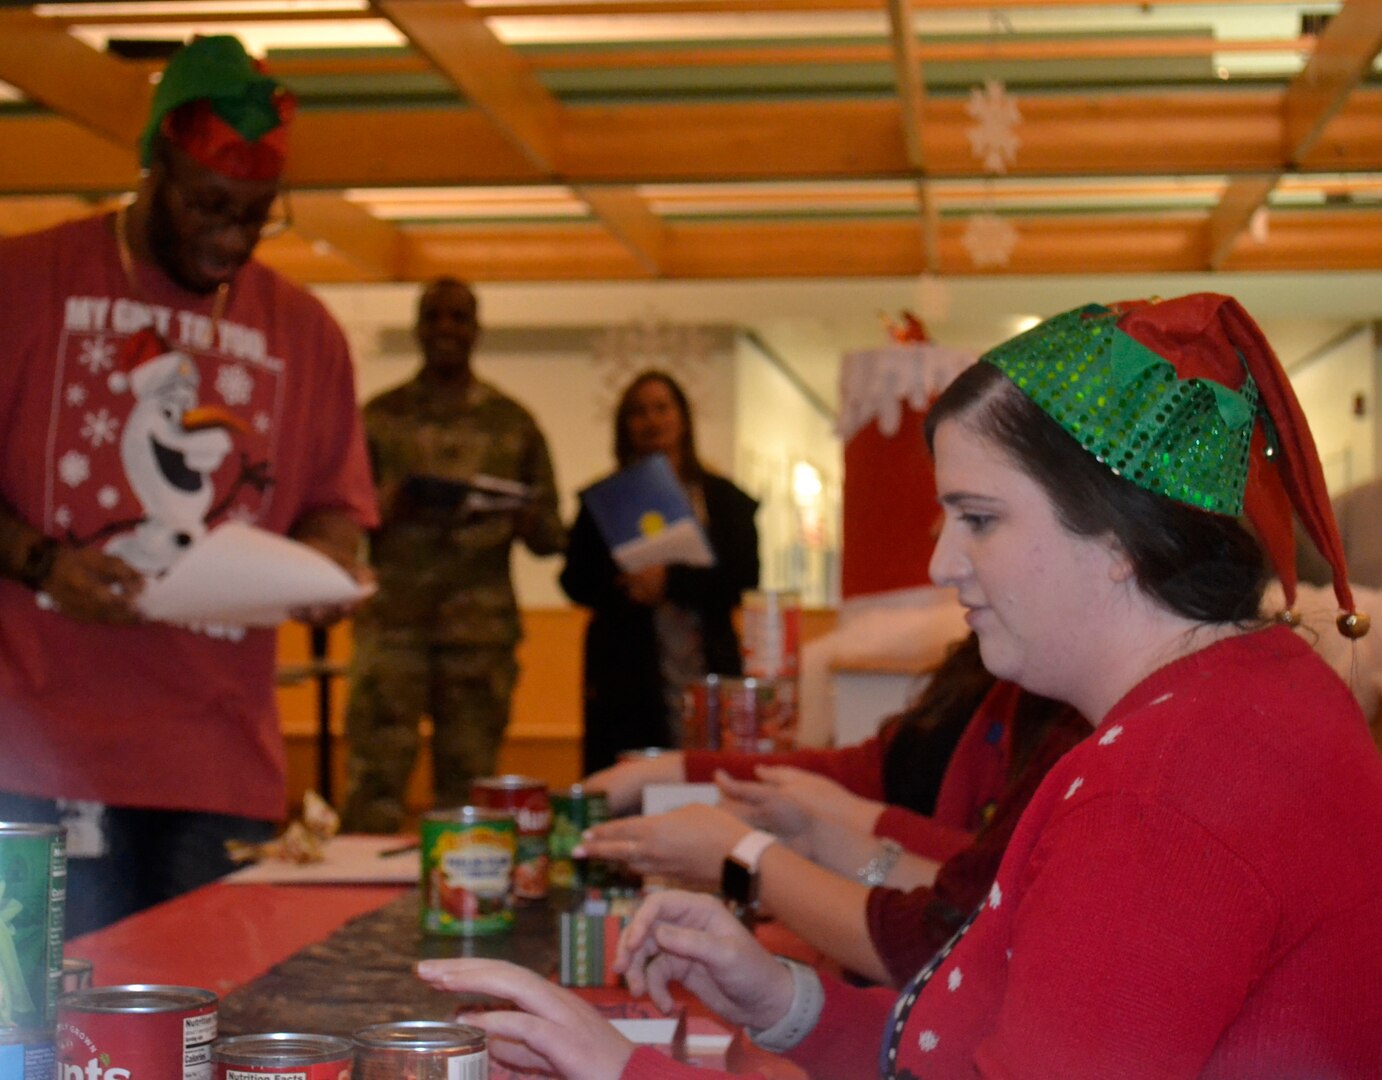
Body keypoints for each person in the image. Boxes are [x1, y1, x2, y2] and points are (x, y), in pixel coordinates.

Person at [418, 294, 1382, 1078]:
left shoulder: (1168, 788)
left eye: (979, 518)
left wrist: (621, 1071)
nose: (942, 564)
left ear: (1120, 537)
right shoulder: (1235, 702)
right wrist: (784, 1000)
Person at [0, 36, 377, 935]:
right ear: (150, 170)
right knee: (38, 1033)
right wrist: (44, 562)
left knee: (202, 1026)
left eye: (257, 214)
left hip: (218, 764)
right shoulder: (23, 283)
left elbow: (334, 498)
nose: (233, 236)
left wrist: (324, 564)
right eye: (210, 204)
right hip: (37, 755)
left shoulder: (305, 330)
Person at [576, 637, 1088, 984]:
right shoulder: (997, 671)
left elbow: (937, 934)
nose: (942, 562)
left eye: (978, 518)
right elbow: (958, 891)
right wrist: (818, 835)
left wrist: (746, 856)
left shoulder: (1081, 725)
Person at [340, 277, 565, 833]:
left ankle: (463, 907)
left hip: (478, 635)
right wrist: (384, 504)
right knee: (373, 785)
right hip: (393, 628)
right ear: (417, 328)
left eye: (458, 317)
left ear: (476, 330)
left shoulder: (513, 423)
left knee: (468, 791)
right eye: (434, 316)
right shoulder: (377, 417)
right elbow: (337, 515)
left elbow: (552, 537)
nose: (446, 328)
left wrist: (521, 515)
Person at [560, 371, 760, 773]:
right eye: (638, 412)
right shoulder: (604, 499)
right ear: (624, 425)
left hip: (706, 661)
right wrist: (626, 584)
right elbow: (574, 580)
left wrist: (669, 582)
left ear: (682, 418)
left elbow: (744, 575)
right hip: (627, 673)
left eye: (661, 408)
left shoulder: (724, 499)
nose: (651, 420)